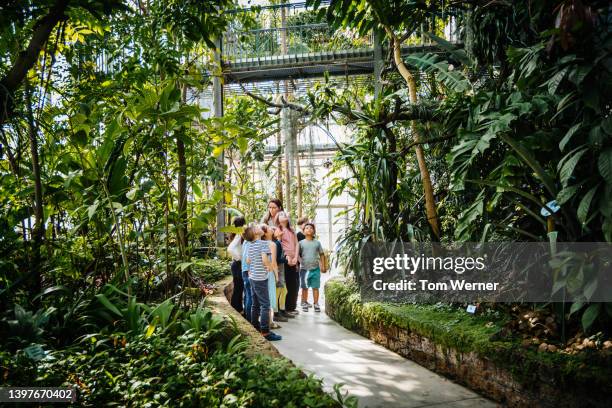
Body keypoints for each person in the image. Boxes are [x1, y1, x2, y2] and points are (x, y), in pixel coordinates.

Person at [245, 225, 282, 341]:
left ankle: (255, 327)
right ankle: (265, 332)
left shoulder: (249, 245)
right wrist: (269, 267)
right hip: (261, 278)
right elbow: (264, 259)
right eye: (257, 227)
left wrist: (254, 268)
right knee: (265, 305)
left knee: (255, 304)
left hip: (253, 277)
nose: (260, 228)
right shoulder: (263, 244)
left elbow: (248, 260)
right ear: (256, 233)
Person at [299, 222, 326, 312]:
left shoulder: (317, 243)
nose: (309, 229)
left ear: (314, 231)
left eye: (311, 228)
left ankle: (316, 303)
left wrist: (323, 266)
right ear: (303, 231)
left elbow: (322, 255)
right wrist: (299, 263)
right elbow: (297, 255)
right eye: (306, 228)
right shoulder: (301, 243)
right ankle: (304, 303)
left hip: (315, 269)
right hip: (304, 270)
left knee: (315, 287)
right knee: (305, 288)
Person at [277, 211, 300, 314]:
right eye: (281, 215)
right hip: (285, 260)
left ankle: (291, 307)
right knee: (285, 284)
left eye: (285, 214)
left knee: (293, 283)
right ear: (278, 218)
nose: (284, 216)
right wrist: (287, 258)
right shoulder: (279, 230)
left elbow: (296, 244)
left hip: (294, 259)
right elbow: (279, 245)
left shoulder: (292, 230)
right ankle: (284, 308)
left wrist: (295, 257)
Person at [261, 225, 282, 329]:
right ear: (265, 233)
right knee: (269, 296)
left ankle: (265, 321)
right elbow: (273, 262)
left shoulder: (258, 243)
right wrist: (277, 275)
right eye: (269, 229)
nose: (272, 229)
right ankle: (270, 322)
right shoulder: (272, 244)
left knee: (263, 298)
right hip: (269, 272)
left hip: (260, 272)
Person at [227, 216, 246, 314]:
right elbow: (230, 249)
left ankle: (239, 309)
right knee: (238, 288)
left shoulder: (237, 234)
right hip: (238, 264)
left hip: (238, 264)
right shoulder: (238, 235)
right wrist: (239, 258)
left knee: (239, 288)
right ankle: (236, 309)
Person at [273, 227, 292, 320]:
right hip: (278, 271)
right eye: (277, 229)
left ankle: (282, 310)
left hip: (281, 270)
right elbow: (276, 259)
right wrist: (286, 259)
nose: (280, 230)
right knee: (278, 292)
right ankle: (276, 313)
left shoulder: (280, 243)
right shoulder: (276, 243)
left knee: (284, 291)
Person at [241, 225, 254, 323]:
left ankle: (246, 314)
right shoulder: (250, 244)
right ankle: (250, 319)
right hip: (249, 271)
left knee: (247, 295)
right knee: (250, 295)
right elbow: (249, 259)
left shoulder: (245, 242)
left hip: (244, 270)